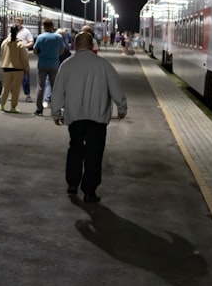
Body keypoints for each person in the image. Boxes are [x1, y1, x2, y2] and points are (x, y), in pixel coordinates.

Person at [51, 31, 128, 202]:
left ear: (75, 45)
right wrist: (121, 107)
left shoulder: (67, 65)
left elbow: (57, 91)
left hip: (75, 118)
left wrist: (56, 112)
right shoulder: (104, 65)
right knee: (94, 154)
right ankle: (89, 191)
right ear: (92, 45)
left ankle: (72, 183)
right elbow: (116, 88)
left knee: (75, 148)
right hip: (98, 118)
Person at [32, 19, 64, 116]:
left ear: (44, 26)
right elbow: (62, 51)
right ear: (52, 26)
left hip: (42, 64)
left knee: (41, 87)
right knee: (55, 87)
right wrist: (54, 55)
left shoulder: (41, 37)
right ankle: (55, 110)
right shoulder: (58, 37)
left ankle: (39, 110)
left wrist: (41, 55)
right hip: (54, 65)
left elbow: (35, 50)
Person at [0, 26, 29, 112]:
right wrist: (26, 68)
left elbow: (1, 55)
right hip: (18, 69)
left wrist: (4, 63)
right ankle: (13, 107)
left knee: (6, 87)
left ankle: (2, 105)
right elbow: (24, 58)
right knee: (16, 89)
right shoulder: (20, 44)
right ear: (18, 32)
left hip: (7, 68)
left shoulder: (4, 42)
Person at [14, 18, 35, 101]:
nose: (17, 23)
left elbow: (31, 42)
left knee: (25, 76)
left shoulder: (26, 32)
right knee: (13, 75)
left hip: (23, 56)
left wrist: (24, 46)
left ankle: (27, 95)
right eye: (16, 22)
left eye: (18, 22)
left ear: (22, 23)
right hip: (14, 56)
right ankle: (13, 94)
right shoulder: (12, 31)